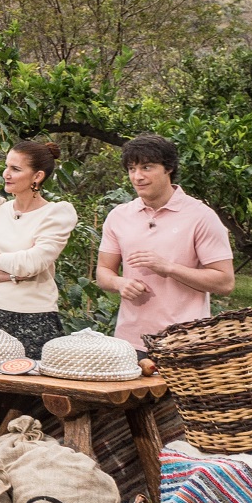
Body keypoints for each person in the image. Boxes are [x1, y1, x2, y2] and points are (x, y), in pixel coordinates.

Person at [95, 133, 235, 353]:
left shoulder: (201, 216)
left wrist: (168, 268)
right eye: (132, 169)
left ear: (168, 168)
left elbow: (225, 282)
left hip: (185, 343)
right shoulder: (118, 216)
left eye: (147, 168)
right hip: (130, 343)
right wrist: (119, 283)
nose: (137, 177)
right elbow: (103, 271)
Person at [0, 139, 78, 357]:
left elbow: (31, 263)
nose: (6, 173)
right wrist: (7, 276)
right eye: (6, 166)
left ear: (37, 176)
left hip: (34, 319)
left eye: (15, 169)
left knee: (32, 386)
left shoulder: (56, 214)